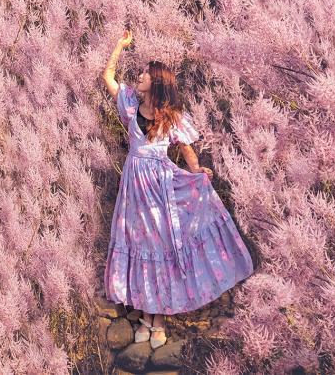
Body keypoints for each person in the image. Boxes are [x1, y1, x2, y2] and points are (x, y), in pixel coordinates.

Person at [101, 28, 254, 349]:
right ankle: (147, 318)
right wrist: (119, 44)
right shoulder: (130, 104)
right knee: (139, 244)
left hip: (160, 186)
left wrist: (197, 172)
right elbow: (108, 75)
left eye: (145, 74)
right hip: (134, 185)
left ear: (156, 83)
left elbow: (186, 149)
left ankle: (158, 321)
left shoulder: (170, 116)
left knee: (161, 247)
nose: (139, 76)